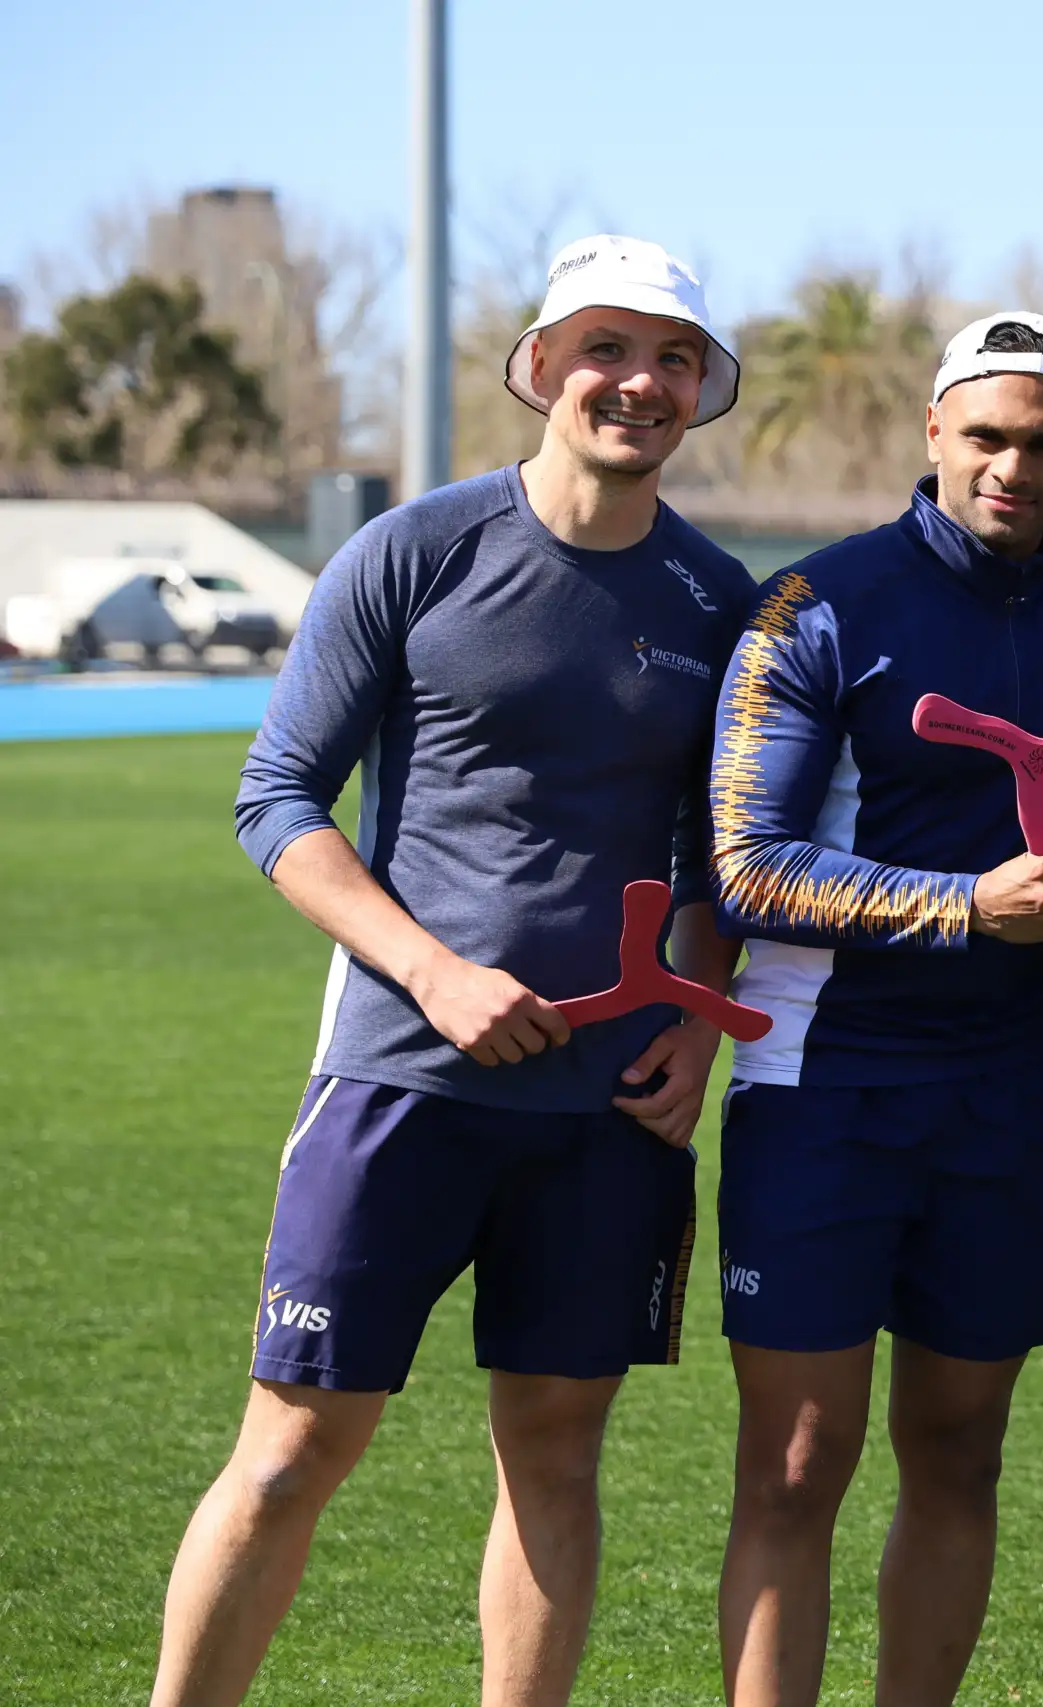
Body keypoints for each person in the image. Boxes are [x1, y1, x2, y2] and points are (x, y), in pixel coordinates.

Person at [157, 236, 757, 1707]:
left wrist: (694, 1019)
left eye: (675, 356)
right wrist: (431, 972)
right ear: (543, 365)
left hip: (607, 1109)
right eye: (609, 347)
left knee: (555, 1452)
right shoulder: (418, 548)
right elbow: (278, 798)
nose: (642, 380)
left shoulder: (720, 599)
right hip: (397, 1078)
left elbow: (726, 849)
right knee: (295, 1445)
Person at [706, 311, 1043, 1707]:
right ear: (933, 432)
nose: (1013, 466)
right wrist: (967, 904)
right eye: (988, 436)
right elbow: (744, 863)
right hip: (820, 1090)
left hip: (1008, 1088)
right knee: (794, 1461)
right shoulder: (814, 605)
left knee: (961, 1450)